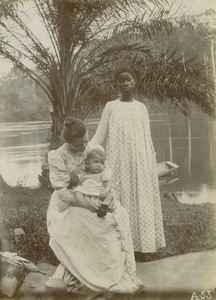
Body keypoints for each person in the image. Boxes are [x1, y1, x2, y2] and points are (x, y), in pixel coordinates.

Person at [46, 116, 143, 296]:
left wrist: (107, 195)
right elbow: (62, 190)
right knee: (100, 223)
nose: (84, 147)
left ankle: (121, 273)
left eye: (85, 141)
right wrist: (84, 203)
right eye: (78, 145)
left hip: (97, 194)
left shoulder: (94, 149)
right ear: (67, 142)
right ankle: (102, 277)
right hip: (71, 200)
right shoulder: (57, 156)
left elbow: (105, 178)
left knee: (120, 214)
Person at [91, 66, 166, 255]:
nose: (125, 83)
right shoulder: (111, 106)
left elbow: (147, 137)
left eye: (128, 80)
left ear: (135, 82)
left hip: (141, 161)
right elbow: (100, 136)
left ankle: (145, 247)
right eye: (121, 81)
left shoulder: (141, 107)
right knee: (120, 200)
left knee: (142, 199)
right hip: (118, 161)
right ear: (116, 84)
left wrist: (150, 161)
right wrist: (84, 149)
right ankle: (123, 248)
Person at [72, 147, 114, 218]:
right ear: (88, 164)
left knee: (110, 195)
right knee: (77, 191)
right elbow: (78, 184)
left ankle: (103, 207)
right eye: (96, 162)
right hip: (86, 193)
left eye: (102, 163)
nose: (99, 165)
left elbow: (108, 186)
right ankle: (83, 203)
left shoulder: (103, 174)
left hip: (99, 193)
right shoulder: (83, 175)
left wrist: (104, 192)